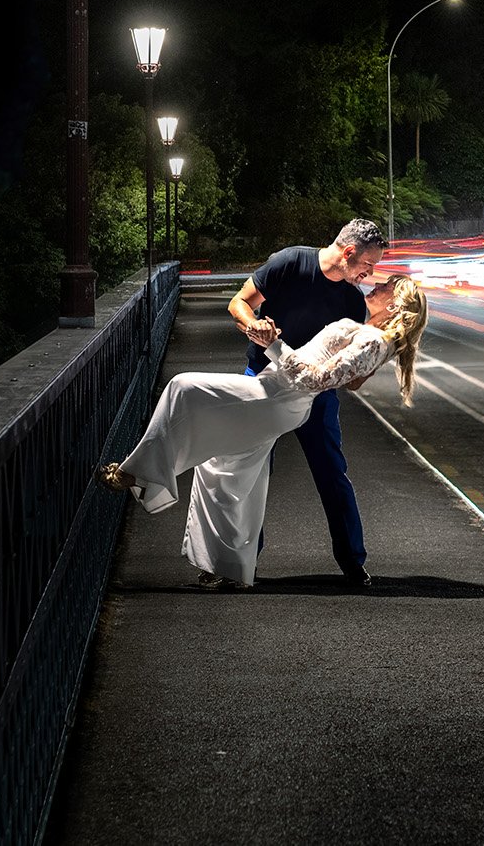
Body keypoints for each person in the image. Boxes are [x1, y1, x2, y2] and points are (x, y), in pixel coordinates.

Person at [99, 275, 428, 589]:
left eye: (387, 286)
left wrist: (274, 345)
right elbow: (350, 379)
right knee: (226, 469)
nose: (377, 285)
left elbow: (315, 381)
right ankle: (230, 568)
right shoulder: (372, 335)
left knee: (182, 388)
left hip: (277, 397)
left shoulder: (373, 340)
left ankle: (140, 472)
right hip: (277, 395)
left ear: (397, 305)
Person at [228, 218, 389, 586]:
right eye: (368, 265)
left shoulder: (350, 299)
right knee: (252, 473)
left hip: (316, 393)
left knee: (331, 471)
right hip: (264, 381)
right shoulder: (289, 263)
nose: (370, 273)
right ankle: (243, 561)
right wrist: (254, 325)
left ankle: (352, 562)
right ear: (349, 253)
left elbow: (351, 378)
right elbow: (239, 302)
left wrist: (375, 351)